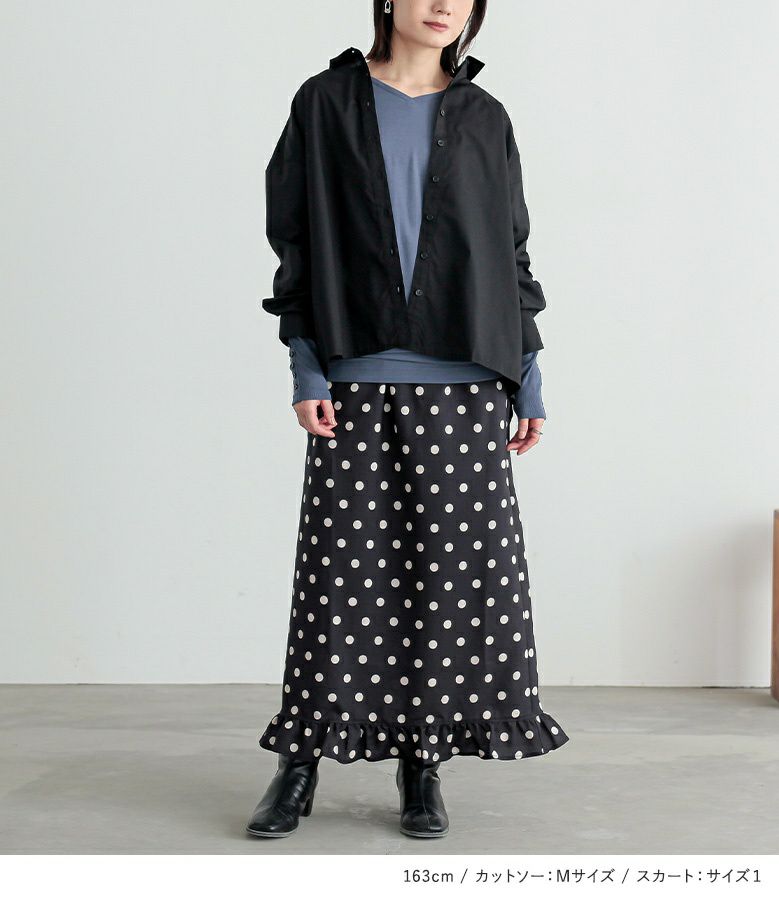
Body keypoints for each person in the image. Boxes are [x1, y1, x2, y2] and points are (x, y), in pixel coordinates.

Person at [248, 0, 570, 840]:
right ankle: (300, 761)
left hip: (468, 380)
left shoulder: (485, 117)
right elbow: (294, 241)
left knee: (450, 583)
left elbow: (510, 253)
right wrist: (307, 367)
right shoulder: (325, 102)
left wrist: (529, 378)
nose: (444, 5)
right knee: (337, 583)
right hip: (357, 371)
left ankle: (422, 762)